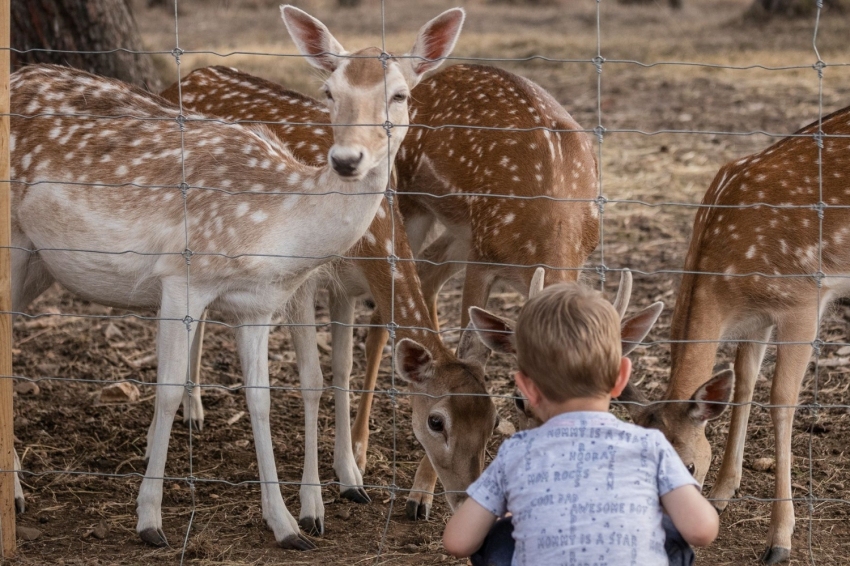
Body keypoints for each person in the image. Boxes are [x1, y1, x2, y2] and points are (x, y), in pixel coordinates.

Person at [443, 283, 719, 566]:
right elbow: (701, 530)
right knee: (670, 530)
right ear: (622, 377)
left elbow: (457, 542)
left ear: (527, 388)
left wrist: (515, 517)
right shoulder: (651, 445)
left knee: (500, 534)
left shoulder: (516, 453)